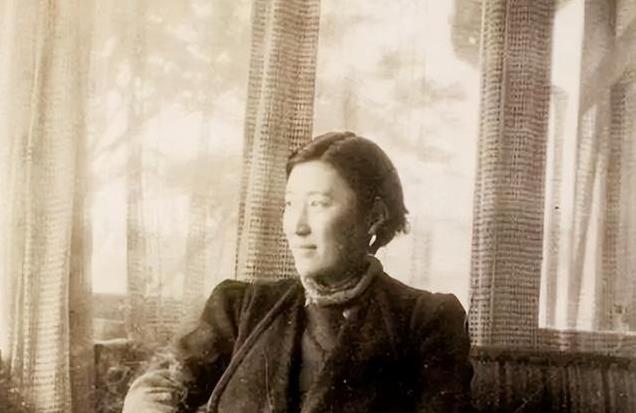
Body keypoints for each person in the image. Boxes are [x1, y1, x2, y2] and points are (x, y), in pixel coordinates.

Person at [122, 131, 473, 413]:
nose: (297, 226)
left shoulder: (426, 320)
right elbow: (156, 388)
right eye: (290, 204)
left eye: (318, 204)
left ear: (375, 215)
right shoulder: (241, 306)